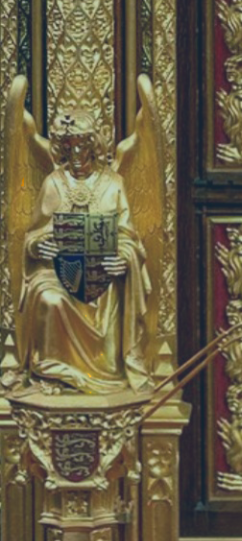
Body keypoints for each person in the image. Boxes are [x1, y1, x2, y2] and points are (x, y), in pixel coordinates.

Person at [11, 111, 152, 394]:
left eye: (81, 145)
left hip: (102, 279)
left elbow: (128, 236)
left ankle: (108, 368)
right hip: (57, 272)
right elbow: (35, 233)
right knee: (47, 296)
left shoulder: (113, 183)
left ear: (93, 146)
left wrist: (124, 258)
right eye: (69, 145)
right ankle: (51, 373)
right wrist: (38, 245)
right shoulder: (53, 182)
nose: (75, 152)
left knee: (108, 291)